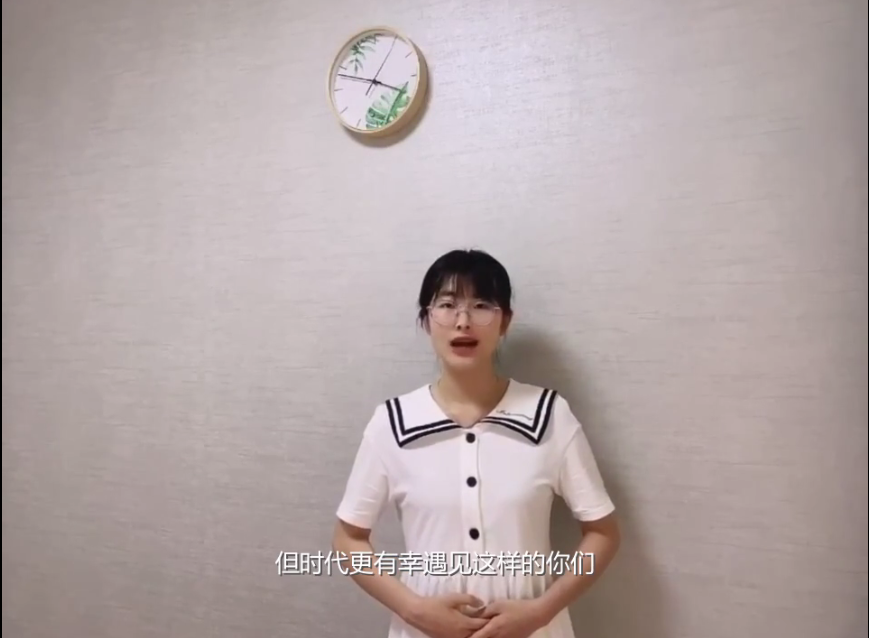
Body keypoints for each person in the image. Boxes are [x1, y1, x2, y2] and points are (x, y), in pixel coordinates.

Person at [332, 248, 621, 638]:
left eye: (482, 305)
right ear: (426, 319)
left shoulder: (549, 415)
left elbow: (603, 533)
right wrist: (414, 610)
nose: (463, 321)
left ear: (505, 321)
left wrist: (539, 612)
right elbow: (348, 538)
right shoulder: (392, 423)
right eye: (447, 305)